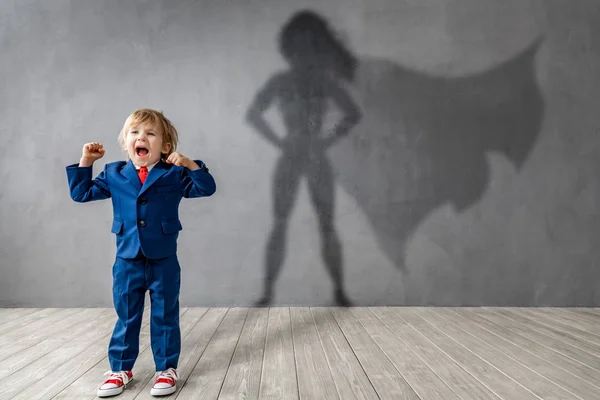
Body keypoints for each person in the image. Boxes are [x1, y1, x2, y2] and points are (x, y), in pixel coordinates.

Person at [66, 108, 216, 397]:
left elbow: (205, 188)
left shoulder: (174, 173)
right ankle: (120, 369)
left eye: (150, 133)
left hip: (163, 258)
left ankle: (166, 369)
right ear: (126, 144)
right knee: (127, 314)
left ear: (166, 147)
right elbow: (81, 194)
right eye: (134, 133)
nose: (141, 137)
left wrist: (190, 164)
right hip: (127, 258)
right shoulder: (113, 173)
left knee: (165, 314)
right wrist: (87, 162)